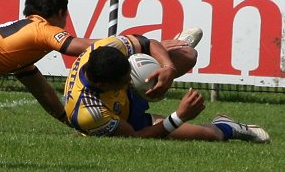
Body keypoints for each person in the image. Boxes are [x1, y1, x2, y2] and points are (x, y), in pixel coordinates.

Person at [0, 0, 200, 125]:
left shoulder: (24, 49)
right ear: (61, 12)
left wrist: (67, 118)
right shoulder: (42, 30)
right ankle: (173, 43)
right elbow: (95, 47)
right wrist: (149, 45)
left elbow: (40, 89)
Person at [63, 34, 270, 143]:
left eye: (130, 76)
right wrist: (179, 117)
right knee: (210, 135)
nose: (130, 82)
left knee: (188, 55)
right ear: (104, 85)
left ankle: (174, 44)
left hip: (124, 100)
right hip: (126, 120)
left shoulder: (109, 47)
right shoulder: (89, 112)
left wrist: (167, 68)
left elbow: (148, 42)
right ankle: (227, 126)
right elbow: (135, 138)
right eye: (125, 81)